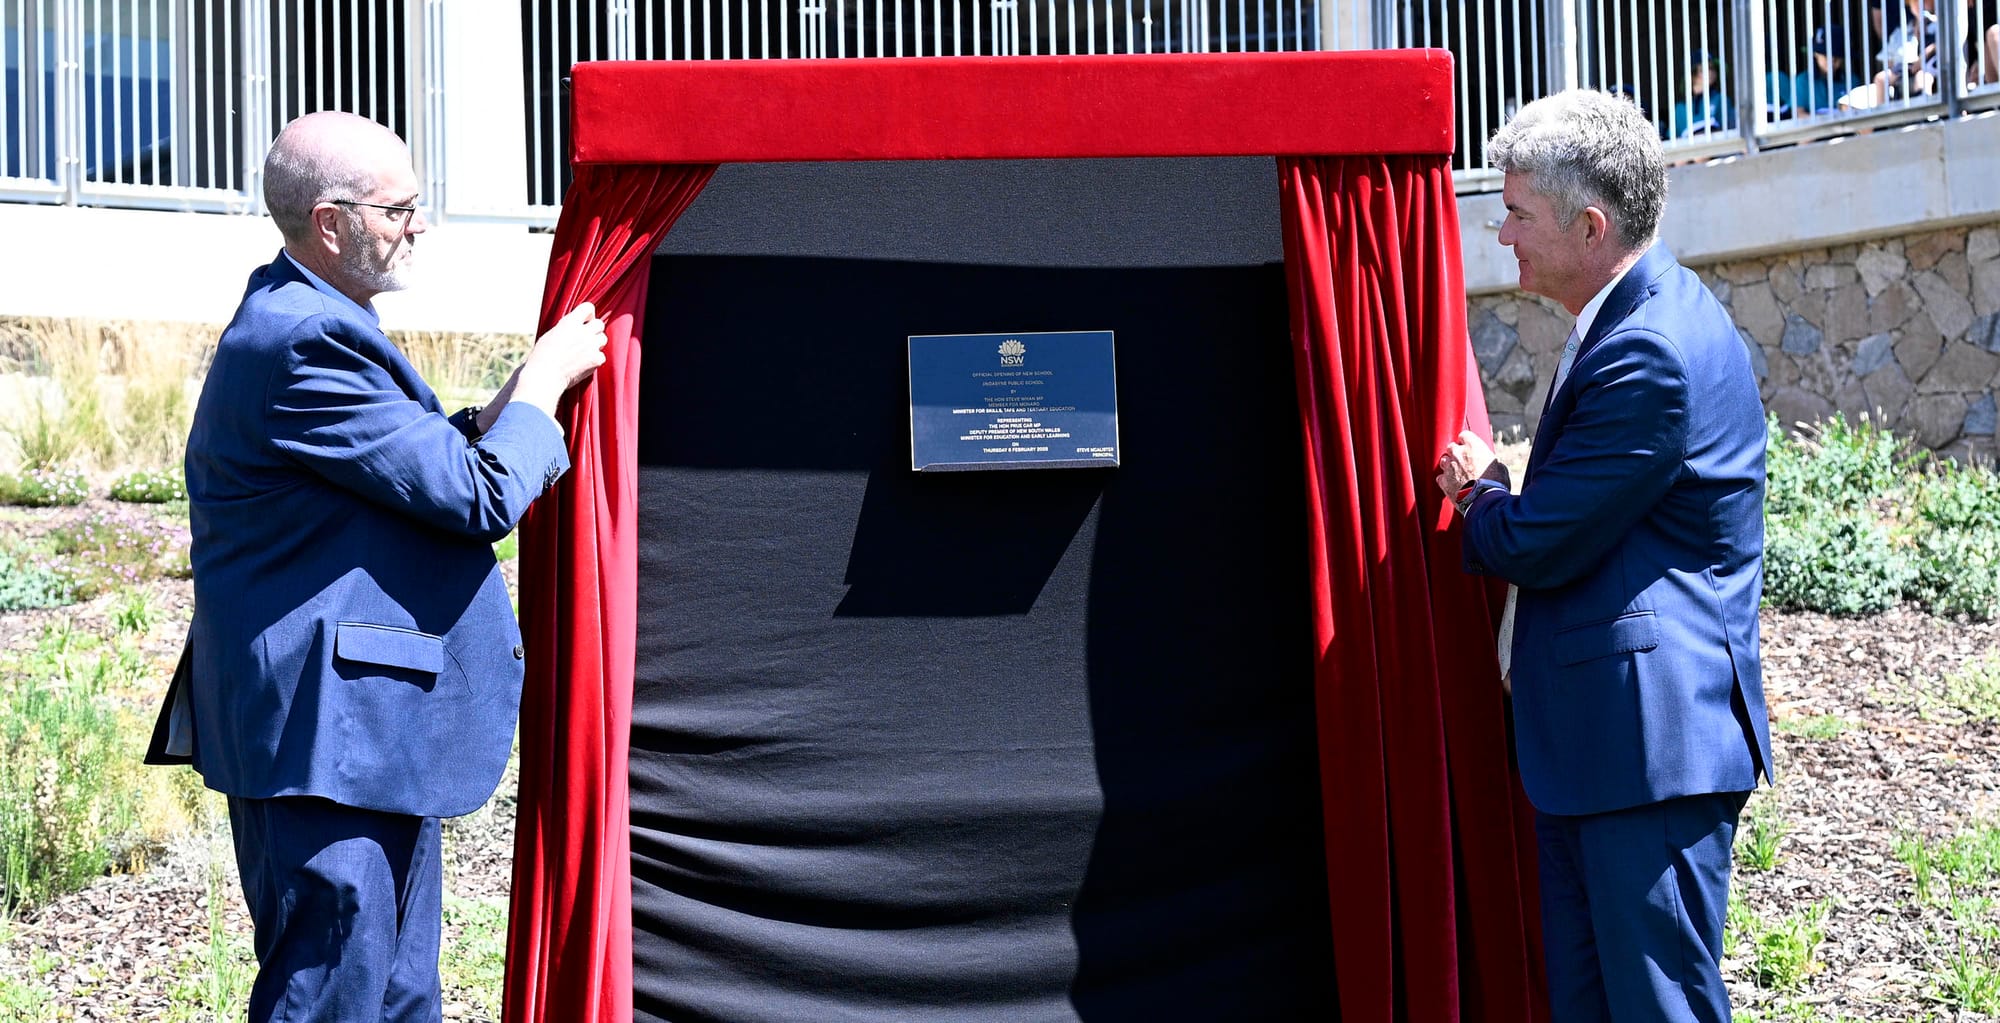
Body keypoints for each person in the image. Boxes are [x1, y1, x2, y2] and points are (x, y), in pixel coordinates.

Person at [173, 111, 605, 1021]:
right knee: (335, 994)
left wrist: (484, 424)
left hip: (367, 735)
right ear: (331, 223)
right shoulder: (304, 339)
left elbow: (379, 476)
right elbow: (478, 500)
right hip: (327, 743)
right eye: (400, 207)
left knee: (400, 995)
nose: (418, 223)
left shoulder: (315, 315)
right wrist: (540, 387)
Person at [1435, 89, 1773, 1021]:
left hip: (1647, 754)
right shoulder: (1634, 316)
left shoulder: (1649, 352)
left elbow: (1536, 542)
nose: (1501, 233)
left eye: (1515, 212)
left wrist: (1479, 490)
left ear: (1590, 226)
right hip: (1609, 745)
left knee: (1658, 1005)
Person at [1670, 51, 1736, 138]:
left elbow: (1729, 131)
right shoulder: (1679, 108)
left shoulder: (1721, 99)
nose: (1711, 71)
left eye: (1713, 68)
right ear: (1692, 75)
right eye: (1706, 68)